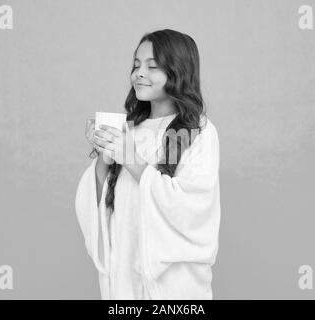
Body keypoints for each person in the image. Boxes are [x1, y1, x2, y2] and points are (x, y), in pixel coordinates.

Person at [75, 29, 221, 299]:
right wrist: (105, 155)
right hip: (126, 281)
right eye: (136, 65)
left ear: (178, 72)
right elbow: (100, 204)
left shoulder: (197, 130)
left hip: (172, 288)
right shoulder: (131, 129)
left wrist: (129, 156)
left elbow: (191, 209)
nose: (139, 73)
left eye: (152, 66)